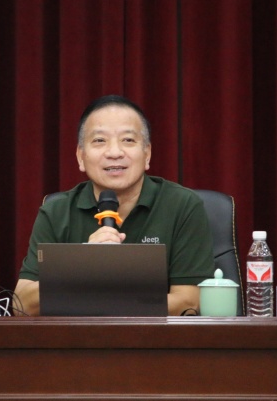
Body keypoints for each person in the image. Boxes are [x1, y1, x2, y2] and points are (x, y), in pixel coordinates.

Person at [14, 94, 214, 316]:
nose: (114, 153)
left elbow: (187, 303)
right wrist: (82, 264)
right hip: (79, 337)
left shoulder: (182, 206)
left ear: (147, 154)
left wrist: (102, 301)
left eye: (128, 140)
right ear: (80, 157)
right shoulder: (56, 211)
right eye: (99, 141)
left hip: (155, 337)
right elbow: (22, 305)